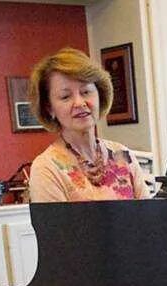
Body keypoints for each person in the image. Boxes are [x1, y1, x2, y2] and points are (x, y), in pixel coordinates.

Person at [28, 48, 151, 203]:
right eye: (65, 97)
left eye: (86, 92)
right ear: (49, 108)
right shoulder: (46, 168)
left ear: (100, 95)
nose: (79, 103)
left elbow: (149, 215)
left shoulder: (123, 155)